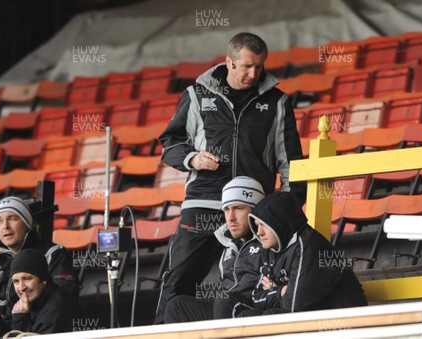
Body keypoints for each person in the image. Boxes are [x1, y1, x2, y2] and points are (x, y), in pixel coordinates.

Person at [155, 31, 305, 323]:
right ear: (229, 62)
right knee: (178, 280)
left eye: (259, 66)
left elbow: (290, 160)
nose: (254, 73)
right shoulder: (196, 95)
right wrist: (193, 158)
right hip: (204, 203)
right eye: (247, 66)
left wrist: (285, 206)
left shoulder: (277, 102)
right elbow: (169, 146)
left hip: (253, 209)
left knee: (249, 285)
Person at [241, 192, 367, 316]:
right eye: (257, 226)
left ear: (279, 222)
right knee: (245, 316)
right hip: (312, 315)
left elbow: (293, 305)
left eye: (264, 225)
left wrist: (275, 291)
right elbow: (256, 299)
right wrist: (281, 291)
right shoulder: (271, 247)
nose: (259, 232)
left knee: (269, 316)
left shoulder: (309, 246)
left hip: (344, 319)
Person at [164, 176, 265, 323]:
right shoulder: (227, 246)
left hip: (254, 309)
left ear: (256, 211)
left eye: (238, 208)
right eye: (226, 209)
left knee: (224, 302)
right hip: (225, 308)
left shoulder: (269, 241)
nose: (230, 218)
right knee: (177, 305)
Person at [0, 196, 77, 316]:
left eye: (12, 219)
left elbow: (64, 299)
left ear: (27, 223)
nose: (5, 226)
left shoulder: (54, 253)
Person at [9, 249, 73, 334]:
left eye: (27, 279)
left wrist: (20, 320)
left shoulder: (53, 312)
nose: (21, 288)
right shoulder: (34, 303)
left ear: (43, 280)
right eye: (16, 281)